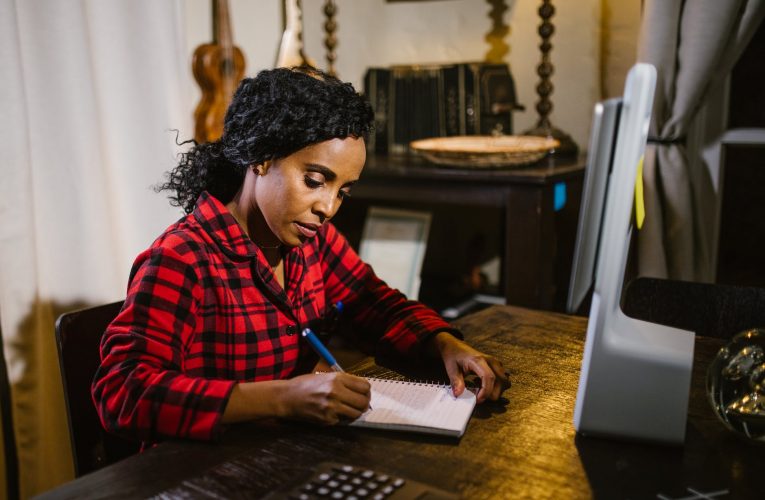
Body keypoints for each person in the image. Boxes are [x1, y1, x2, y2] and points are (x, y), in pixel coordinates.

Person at [92, 67, 510, 444]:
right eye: (314, 180)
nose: (328, 207)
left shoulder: (312, 241)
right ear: (261, 158)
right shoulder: (184, 258)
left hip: (285, 458)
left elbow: (372, 302)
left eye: (342, 191)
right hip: (203, 473)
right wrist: (282, 397)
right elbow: (123, 392)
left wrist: (444, 343)